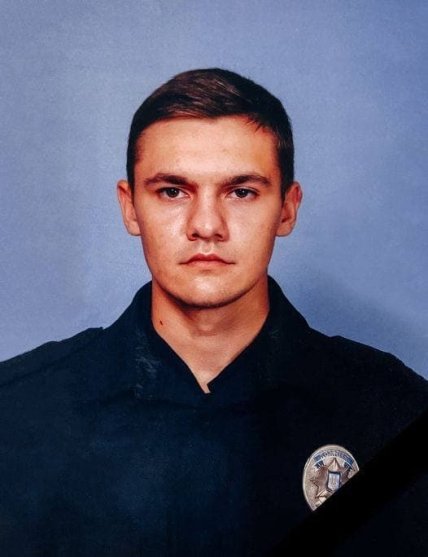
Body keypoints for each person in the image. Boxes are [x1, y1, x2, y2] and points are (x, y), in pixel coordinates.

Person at [0, 68, 426, 557]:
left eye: (241, 192)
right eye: (172, 191)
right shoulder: (18, 415)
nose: (206, 225)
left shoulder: (392, 412)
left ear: (287, 209)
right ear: (130, 207)